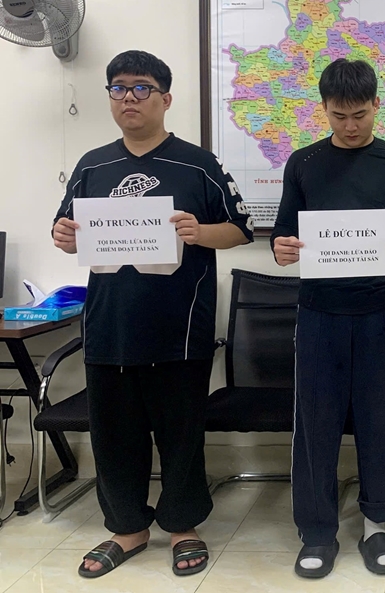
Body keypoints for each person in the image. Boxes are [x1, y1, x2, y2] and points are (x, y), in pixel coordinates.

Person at [52, 50, 254, 578]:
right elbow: (66, 230)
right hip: (108, 326)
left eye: (141, 88)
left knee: (180, 434)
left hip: (179, 328)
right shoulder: (92, 166)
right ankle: (127, 528)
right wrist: (63, 235)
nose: (129, 98)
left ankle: (183, 527)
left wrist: (199, 232)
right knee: (114, 436)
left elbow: (241, 230)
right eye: (118, 88)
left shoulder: (198, 164)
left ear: (165, 99)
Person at [270, 58, 385, 578]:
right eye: (339, 116)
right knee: (315, 423)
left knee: (382, 419)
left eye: (360, 114)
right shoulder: (304, 163)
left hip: (380, 312)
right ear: (324, 109)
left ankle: (379, 526)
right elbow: (283, 233)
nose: (351, 125)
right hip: (319, 312)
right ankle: (317, 532)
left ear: (377, 105)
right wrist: (282, 248)